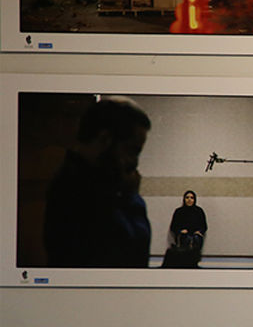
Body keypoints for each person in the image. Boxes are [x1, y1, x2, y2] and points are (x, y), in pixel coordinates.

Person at [43, 96, 152, 268]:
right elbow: (133, 253)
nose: (134, 163)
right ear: (105, 139)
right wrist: (131, 198)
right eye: (132, 150)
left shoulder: (74, 177)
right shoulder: (81, 192)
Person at [164, 190, 208, 268]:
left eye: (192, 198)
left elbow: (204, 226)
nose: (189, 200)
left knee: (196, 239)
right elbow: (173, 227)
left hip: (195, 235)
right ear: (184, 199)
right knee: (186, 238)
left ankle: (194, 262)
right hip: (183, 235)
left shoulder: (199, 211)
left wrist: (199, 232)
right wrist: (180, 231)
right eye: (187, 197)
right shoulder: (179, 212)